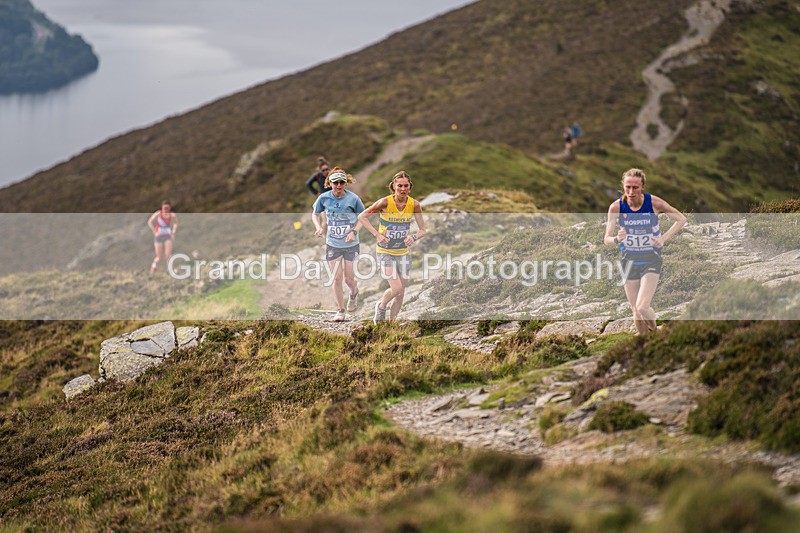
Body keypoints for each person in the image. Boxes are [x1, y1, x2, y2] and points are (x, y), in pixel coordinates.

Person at [604, 168, 686, 335]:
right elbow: (606, 239)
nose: (631, 192)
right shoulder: (616, 207)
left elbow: (681, 219)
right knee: (635, 310)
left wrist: (663, 238)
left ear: (643, 187)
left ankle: (654, 331)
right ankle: (644, 342)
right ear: (623, 186)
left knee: (642, 307)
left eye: (635, 187)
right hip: (628, 260)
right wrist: (617, 239)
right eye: (627, 187)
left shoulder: (654, 203)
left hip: (651, 259)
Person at [358, 171, 426, 324]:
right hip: (385, 252)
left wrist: (413, 237)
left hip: (402, 253)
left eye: (406, 186)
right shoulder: (384, 202)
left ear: (410, 187)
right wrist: (377, 234)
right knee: (396, 289)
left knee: (401, 294)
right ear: (393, 186)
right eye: (399, 186)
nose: (403, 189)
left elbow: (423, 230)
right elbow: (362, 216)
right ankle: (381, 306)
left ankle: (392, 324)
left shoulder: (414, 205)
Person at [312, 167, 366, 322]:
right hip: (333, 244)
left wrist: (353, 232)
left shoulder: (353, 199)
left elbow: (363, 218)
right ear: (330, 183)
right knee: (336, 278)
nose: (339, 185)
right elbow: (315, 214)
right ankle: (340, 310)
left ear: (346, 183)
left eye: (342, 182)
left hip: (351, 244)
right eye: (335, 182)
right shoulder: (324, 198)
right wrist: (319, 227)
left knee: (349, 280)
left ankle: (354, 293)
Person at [147, 201, 178, 273]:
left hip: (167, 236)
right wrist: (155, 232)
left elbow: (175, 223)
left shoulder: (172, 215)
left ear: (169, 208)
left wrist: (173, 232)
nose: (166, 210)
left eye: (167, 208)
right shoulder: (158, 214)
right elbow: (150, 222)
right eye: (164, 208)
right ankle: (153, 267)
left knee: (168, 255)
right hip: (159, 237)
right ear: (162, 207)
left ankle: (170, 270)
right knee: (159, 257)